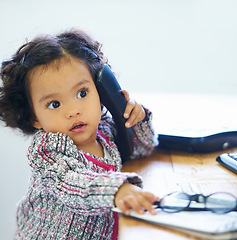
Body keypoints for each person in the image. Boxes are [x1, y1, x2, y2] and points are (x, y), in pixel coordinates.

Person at [0, 29, 158, 240]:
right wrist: (117, 190)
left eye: (82, 93)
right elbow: (73, 184)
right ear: (34, 118)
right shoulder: (47, 150)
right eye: (54, 104)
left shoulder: (105, 131)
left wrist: (136, 120)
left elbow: (143, 149)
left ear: (100, 90)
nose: (73, 110)